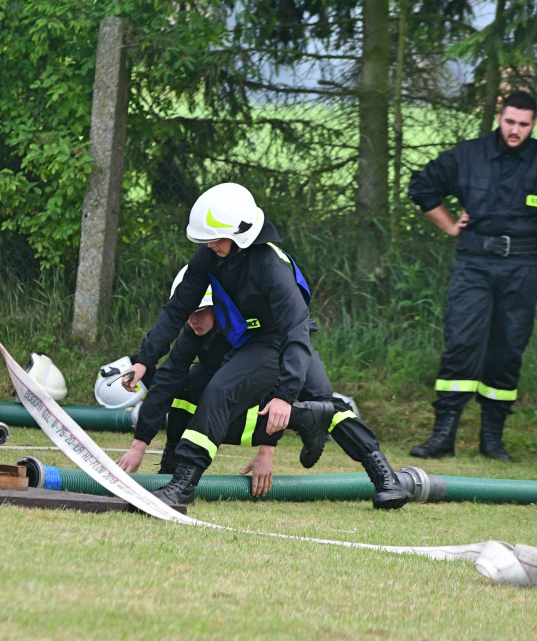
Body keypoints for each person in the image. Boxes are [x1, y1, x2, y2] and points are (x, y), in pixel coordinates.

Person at [116, 266, 410, 510]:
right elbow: (167, 379)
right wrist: (138, 445)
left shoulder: (252, 330)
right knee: (186, 386)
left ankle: (385, 478)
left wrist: (266, 452)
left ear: (220, 306)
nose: (192, 319)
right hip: (253, 389)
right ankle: (172, 470)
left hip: (291, 359)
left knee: (332, 410)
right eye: (188, 313)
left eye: (200, 311)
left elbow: (275, 383)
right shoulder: (193, 332)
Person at [118, 182, 336, 506]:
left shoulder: (271, 267)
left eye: (216, 238)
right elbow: (178, 307)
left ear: (241, 235)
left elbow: (296, 331)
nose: (210, 245)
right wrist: (145, 359)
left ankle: (183, 487)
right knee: (214, 391)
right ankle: (308, 418)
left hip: (278, 342)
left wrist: (285, 396)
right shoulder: (210, 256)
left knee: (220, 391)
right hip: (249, 341)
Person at [407, 91, 537, 462]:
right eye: (510, 121)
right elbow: (421, 185)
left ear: (533, 124)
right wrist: (450, 226)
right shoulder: (468, 156)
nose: (515, 130)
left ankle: (492, 441)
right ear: (499, 118)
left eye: (523, 124)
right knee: (461, 344)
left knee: (507, 350)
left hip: (524, 266)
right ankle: (443, 436)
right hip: (474, 264)